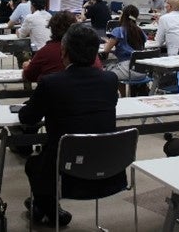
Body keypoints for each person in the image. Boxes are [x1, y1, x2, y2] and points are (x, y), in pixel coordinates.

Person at [19, 24, 122, 227]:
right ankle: (45, 208)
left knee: (34, 164)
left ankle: (47, 208)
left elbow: (27, 118)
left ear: (64, 52)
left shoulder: (51, 83)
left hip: (65, 163)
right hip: (106, 161)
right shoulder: (110, 80)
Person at [22, 12, 103, 81]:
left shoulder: (46, 52)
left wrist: (27, 67)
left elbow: (29, 76)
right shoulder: (87, 48)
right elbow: (99, 68)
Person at [102, 5, 148, 90]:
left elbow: (106, 50)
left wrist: (107, 43)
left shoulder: (118, 31)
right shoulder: (140, 31)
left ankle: (118, 96)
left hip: (127, 70)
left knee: (103, 71)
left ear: (123, 15)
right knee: (116, 68)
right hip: (142, 70)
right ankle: (125, 95)